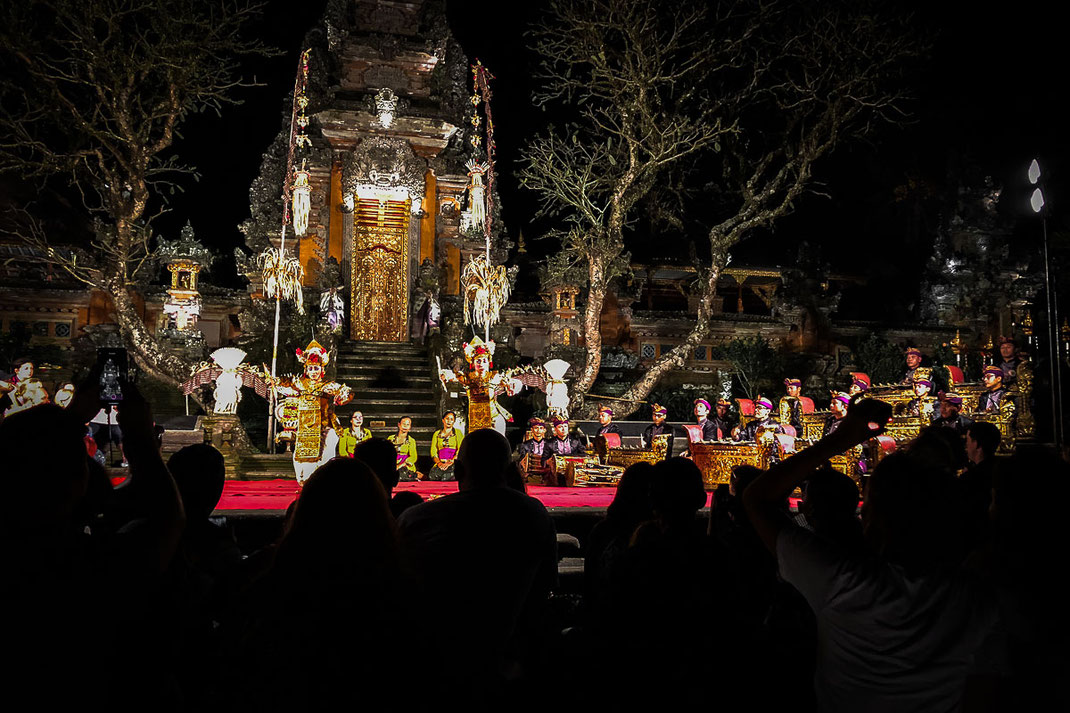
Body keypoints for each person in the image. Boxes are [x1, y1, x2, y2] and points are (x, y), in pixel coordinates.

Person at [743, 398, 1003, 713]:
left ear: (876, 516)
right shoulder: (978, 595)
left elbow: (757, 498)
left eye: (868, 504)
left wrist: (841, 439)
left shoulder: (843, 580)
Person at [397, 429, 557, 702]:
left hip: (432, 659)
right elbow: (546, 586)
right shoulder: (534, 514)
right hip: (510, 653)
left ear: (459, 469)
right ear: (509, 469)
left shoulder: (418, 518)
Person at [265, 339, 353, 485]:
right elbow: (282, 384)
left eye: (316, 368)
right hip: (305, 426)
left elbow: (346, 392)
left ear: (322, 370)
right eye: (311, 369)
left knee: (328, 448)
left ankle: (324, 479)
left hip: (324, 425)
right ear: (306, 369)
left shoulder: (327, 385)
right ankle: (304, 480)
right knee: (301, 454)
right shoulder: (298, 383)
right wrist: (273, 382)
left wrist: (340, 397)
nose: (313, 372)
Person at [438, 336, 523, 434]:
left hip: (493, 420)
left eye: (484, 361)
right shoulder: (467, 378)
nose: (482, 364)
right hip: (475, 422)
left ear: (488, 362)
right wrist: (445, 375)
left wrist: (511, 385)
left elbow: (508, 381)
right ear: (473, 363)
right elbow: (452, 376)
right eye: (478, 361)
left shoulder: (493, 376)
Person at [428, 410, 464, 481]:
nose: (449, 421)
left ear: (454, 422)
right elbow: (433, 452)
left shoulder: (458, 433)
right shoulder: (437, 434)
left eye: (451, 419)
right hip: (440, 462)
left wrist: (450, 462)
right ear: (443, 420)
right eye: (447, 419)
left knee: (447, 476)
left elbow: (460, 449)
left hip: (453, 462)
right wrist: (439, 463)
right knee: (433, 476)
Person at [388, 416, 419, 481]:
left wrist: (401, 465)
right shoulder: (391, 438)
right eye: (404, 424)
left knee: (402, 474)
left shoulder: (411, 440)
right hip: (393, 464)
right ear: (399, 425)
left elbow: (413, 457)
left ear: (410, 427)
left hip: (405, 465)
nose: (405, 426)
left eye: (408, 424)